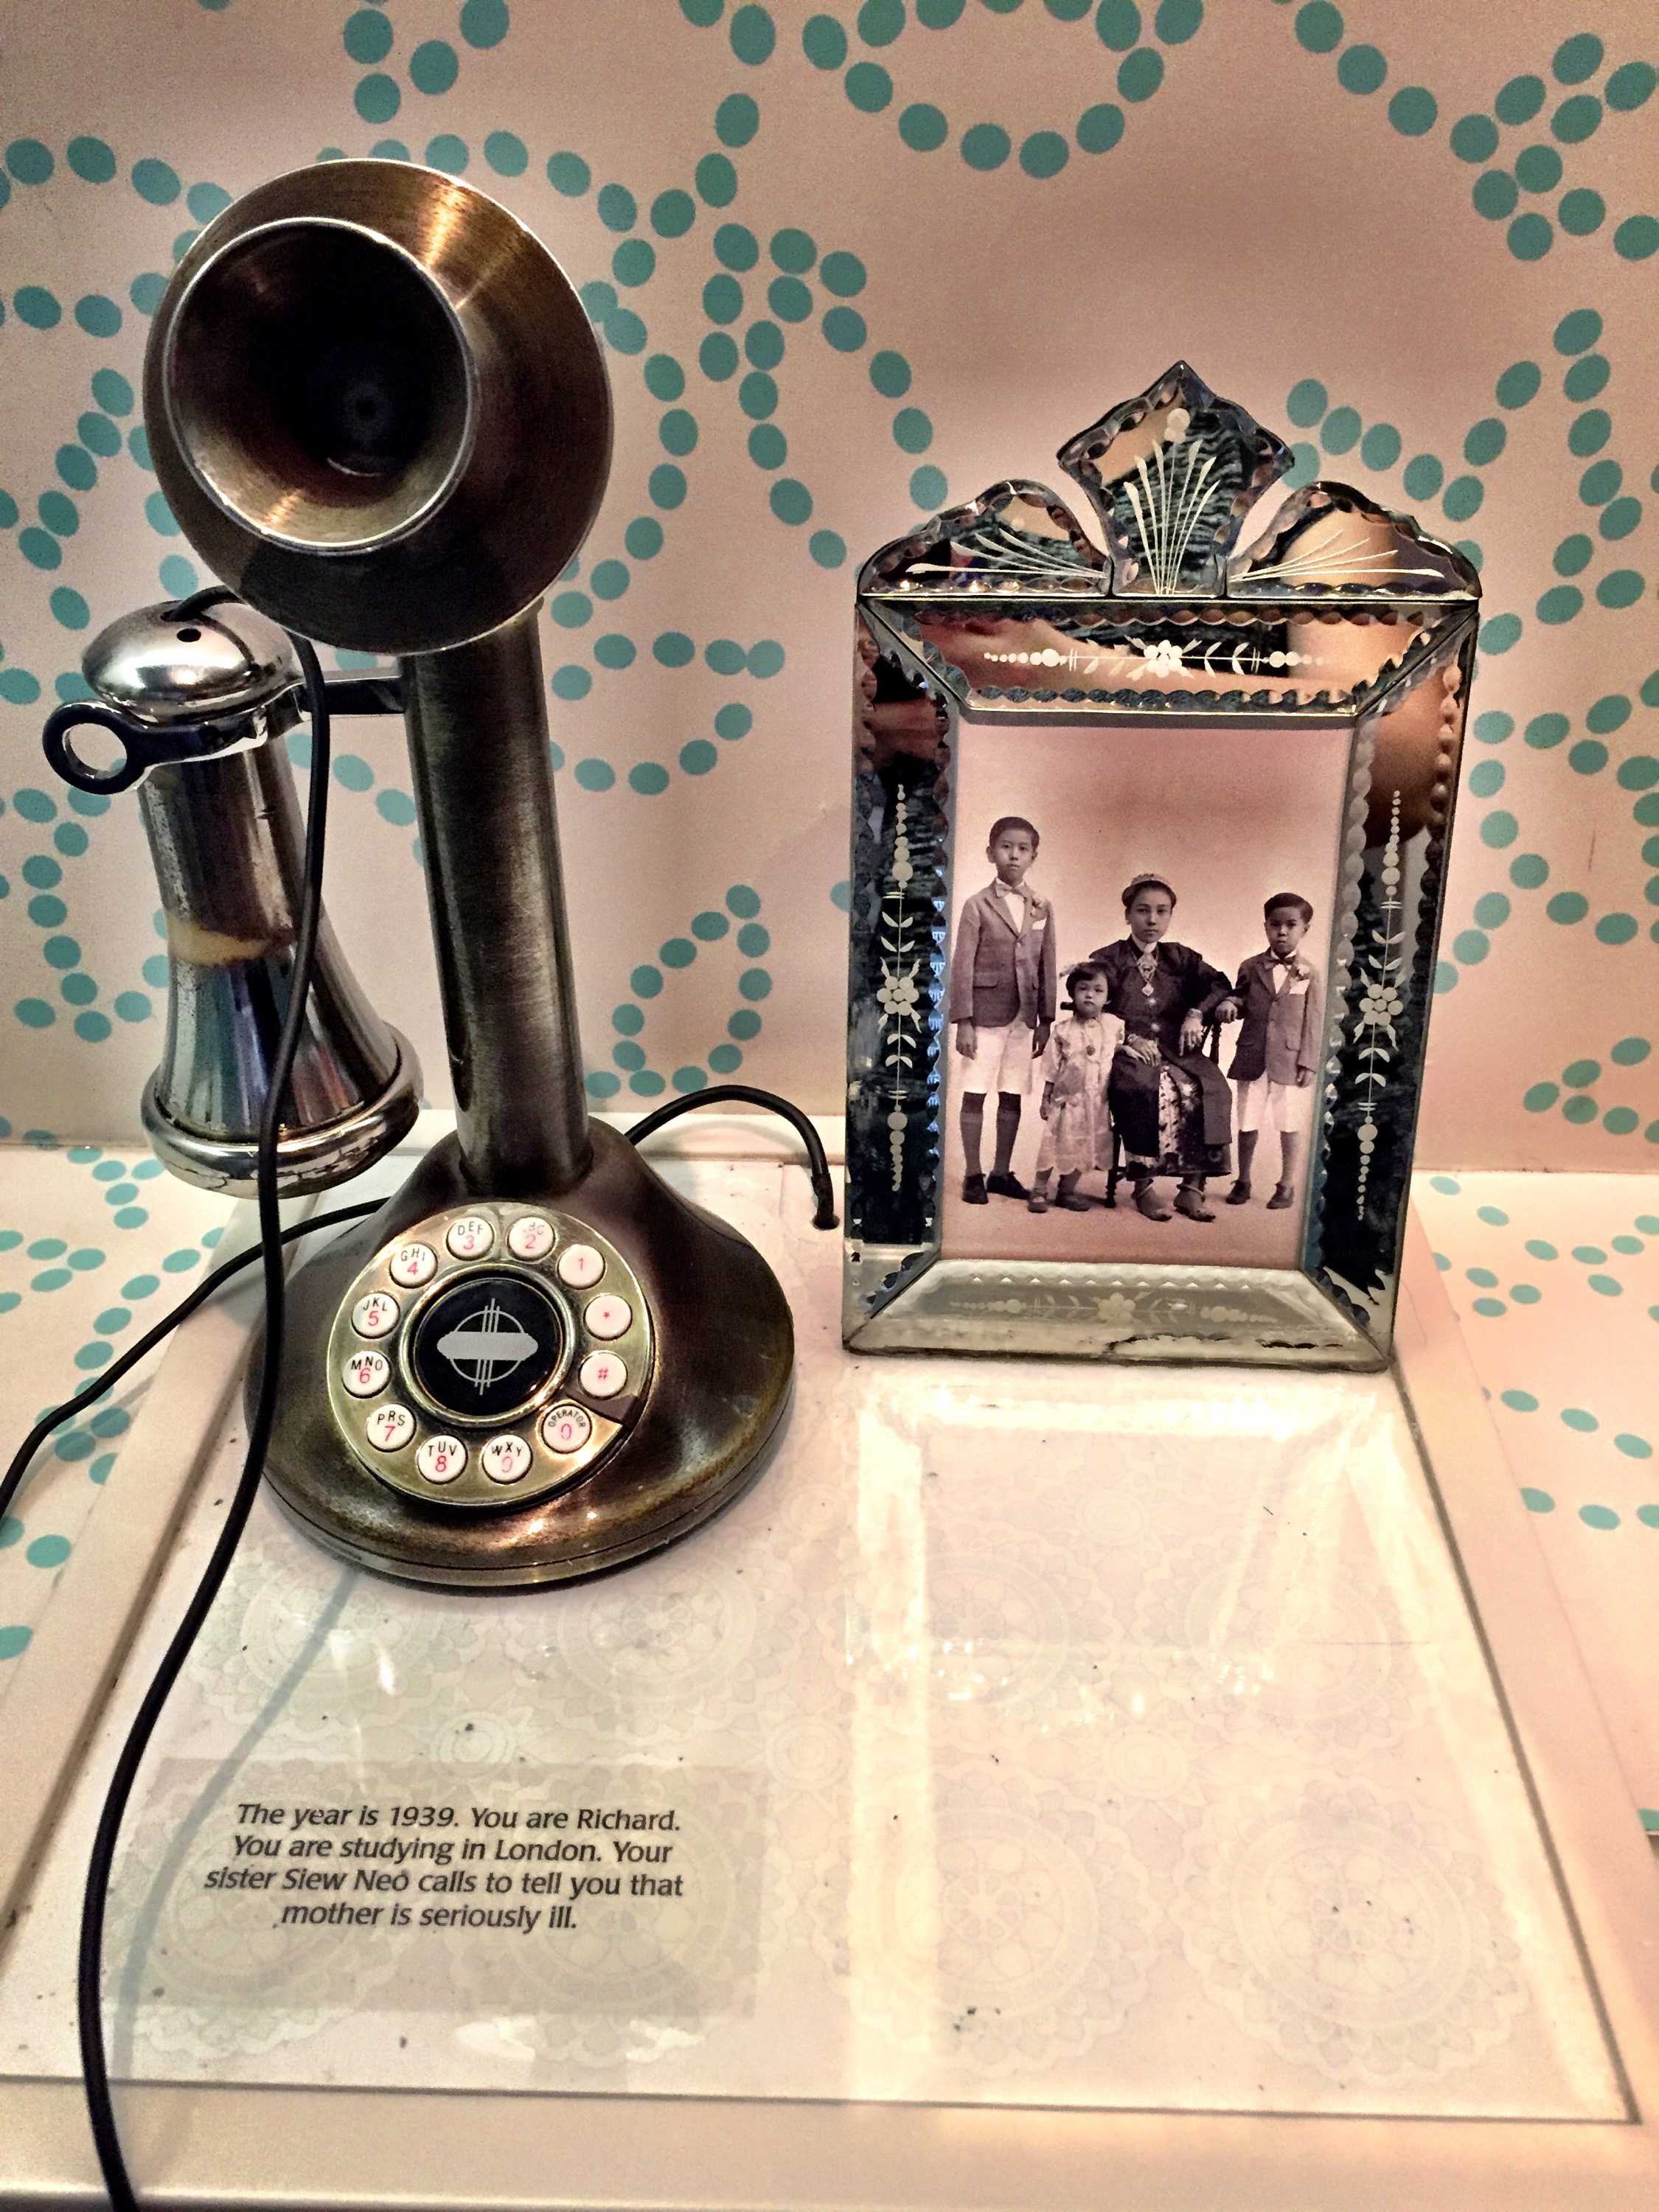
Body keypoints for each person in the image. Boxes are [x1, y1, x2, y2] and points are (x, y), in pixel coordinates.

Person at [1088, 874, 1233, 1222]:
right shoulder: (1108, 959)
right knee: (1144, 1089)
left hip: (1177, 1050)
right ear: (1128, 915)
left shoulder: (1181, 958)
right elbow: (1090, 1003)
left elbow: (1219, 984)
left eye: (1161, 911)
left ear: (1169, 916)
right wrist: (1127, 1039)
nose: (1152, 920)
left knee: (1211, 1087)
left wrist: (1196, 1014)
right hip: (1130, 1053)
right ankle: (1143, 1187)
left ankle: (1192, 1189)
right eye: (1143, 911)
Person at [950, 815, 1056, 1203]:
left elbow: (1046, 963)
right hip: (984, 1015)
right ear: (991, 853)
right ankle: (973, 1174)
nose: (1014, 855)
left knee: (1012, 1094)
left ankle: (1000, 1172)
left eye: (1023, 849)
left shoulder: (1041, 906)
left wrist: (1046, 1020)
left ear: (1033, 857)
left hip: (1024, 1017)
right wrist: (963, 1021)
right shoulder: (977, 905)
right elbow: (962, 965)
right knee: (976, 1093)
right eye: (1006, 847)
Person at [1220, 894, 1323, 1211]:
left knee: (1288, 1123)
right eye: (1275, 924)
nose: (1282, 931)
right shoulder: (1250, 967)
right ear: (1265, 926)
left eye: (1291, 925)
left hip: (1289, 1061)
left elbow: (1314, 1021)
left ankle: (1287, 1185)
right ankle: (1243, 1180)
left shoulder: (1309, 972)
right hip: (1252, 1056)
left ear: (1305, 929)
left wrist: (1309, 1062)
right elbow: (1241, 999)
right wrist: (1230, 1003)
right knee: (1247, 1121)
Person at [1029, 961, 1122, 1213]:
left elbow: (1118, 1048)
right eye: (1083, 989)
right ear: (1072, 993)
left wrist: (1130, 1049)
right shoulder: (1063, 1031)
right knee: (1054, 1145)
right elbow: (1051, 1068)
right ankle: (1039, 1189)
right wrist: (1046, 1098)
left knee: (1084, 1148)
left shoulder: (1113, 1025)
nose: (1090, 995)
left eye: (1098, 990)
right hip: (1067, 1101)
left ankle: (1067, 1191)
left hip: (1096, 1102)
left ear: (1108, 997)